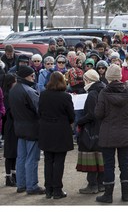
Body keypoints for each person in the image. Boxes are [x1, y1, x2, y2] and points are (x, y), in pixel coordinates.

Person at [94, 64, 128, 203]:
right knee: (124, 164)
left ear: (108, 77)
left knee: (109, 165)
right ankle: (126, 195)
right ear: (120, 77)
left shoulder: (104, 93)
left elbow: (98, 113)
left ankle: (108, 195)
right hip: (125, 132)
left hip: (108, 134)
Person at [9, 65, 45, 195]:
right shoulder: (28, 91)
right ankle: (32, 186)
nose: (33, 77)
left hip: (19, 127)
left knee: (21, 157)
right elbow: (39, 109)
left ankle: (21, 184)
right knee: (32, 158)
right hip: (32, 128)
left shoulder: (13, 90)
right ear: (25, 76)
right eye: (31, 76)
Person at [38, 71, 75, 199]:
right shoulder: (65, 97)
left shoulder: (43, 95)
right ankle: (57, 190)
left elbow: (40, 111)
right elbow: (71, 116)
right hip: (61, 131)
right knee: (59, 161)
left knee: (48, 161)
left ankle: (49, 190)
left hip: (46, 130)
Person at [76, 69, 106, 194]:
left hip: (92, 129)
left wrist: (80, 121)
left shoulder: (92, 93)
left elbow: (92, 114)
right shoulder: (102, 89)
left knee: (92, 156)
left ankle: (92, 185)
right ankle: (101, 184)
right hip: (102, 128)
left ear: (88, 80)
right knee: (100, 156)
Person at [2, 74, 17, 187]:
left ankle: (13, 175)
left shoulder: (10, 94)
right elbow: (9, 112)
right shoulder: (7, 95)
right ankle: (8, 177)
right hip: (10, 125)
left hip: (13, 124)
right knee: (10, 152)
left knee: (14, 152)